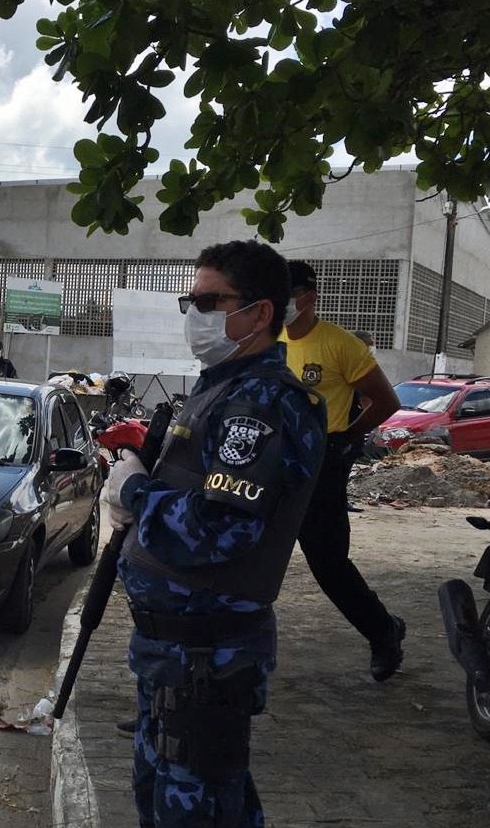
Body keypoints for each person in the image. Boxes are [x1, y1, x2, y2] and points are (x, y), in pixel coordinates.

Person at [104, 240, 326, 828]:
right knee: (175, 801)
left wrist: (134, 493)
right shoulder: (220, 388)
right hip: (174, 656)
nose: (194, 314)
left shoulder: (262, 403)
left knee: (195, 811)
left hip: (207, 656)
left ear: (259, 313)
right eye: (190, 301)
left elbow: (220, 529)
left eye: (209, 302)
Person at [282, 259, 406, 680]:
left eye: (288, 295)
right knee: (249, 552)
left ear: (309, 297)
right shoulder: (269, 341)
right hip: (275, 462)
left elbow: (387, 402)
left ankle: (383, 632)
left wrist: (346, 438)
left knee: (328, 563)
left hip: (322, 465)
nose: (280, 303)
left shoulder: (340, 344)